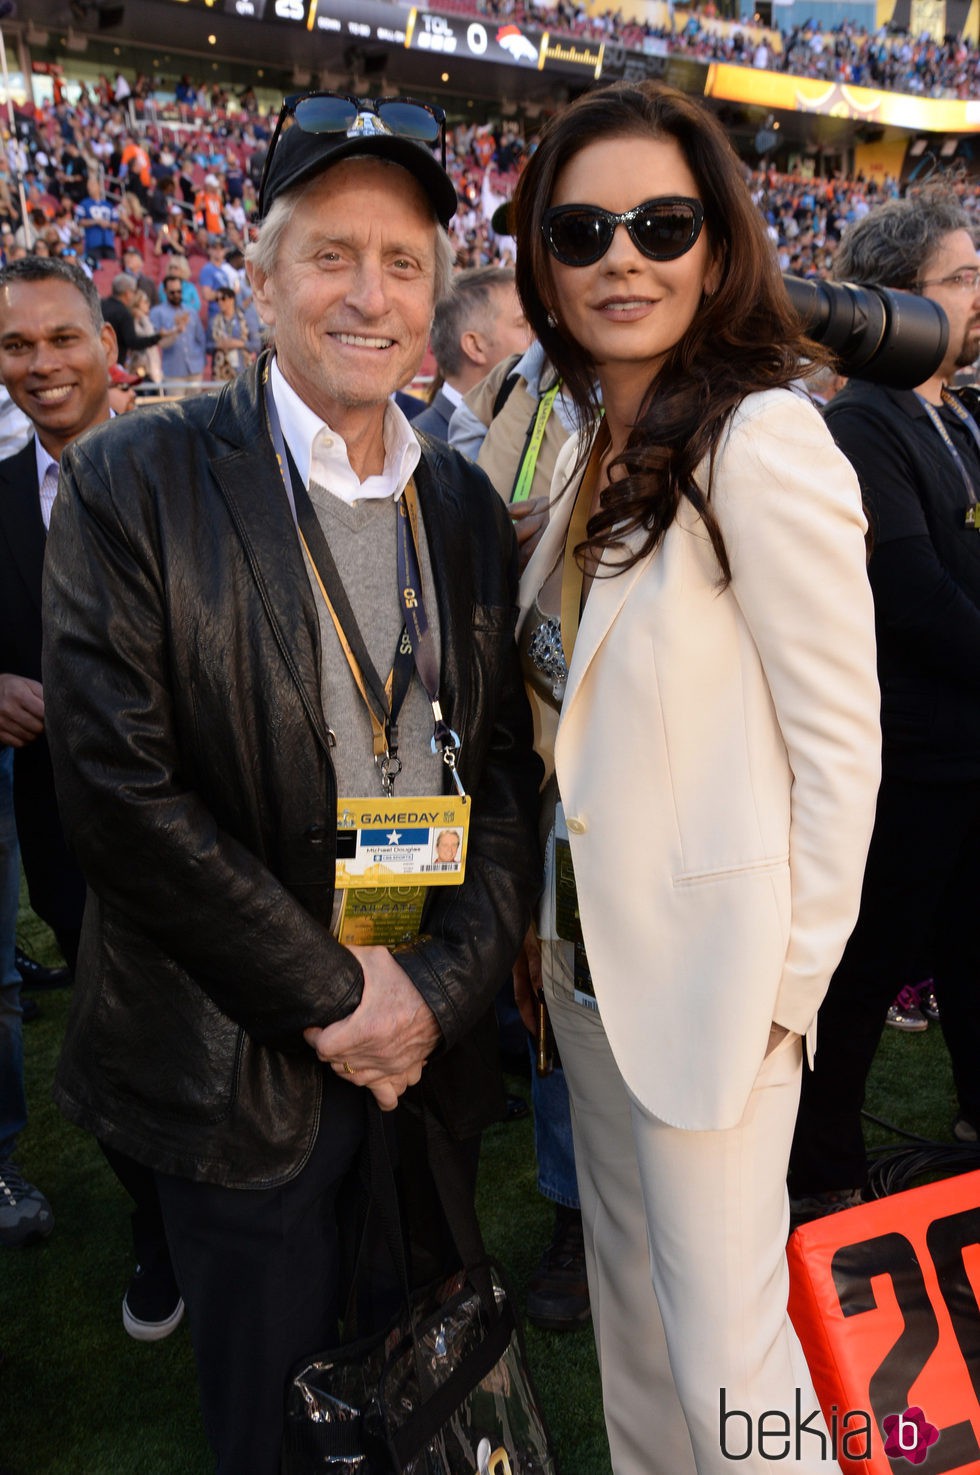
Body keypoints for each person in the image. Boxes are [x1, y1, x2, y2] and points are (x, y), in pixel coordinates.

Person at [42, 96, 541, 1474]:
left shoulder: (458, 502)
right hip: (233, 1061)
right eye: (331, 254)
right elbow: (114, 793)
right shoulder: (134, 479)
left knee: (413, 1387)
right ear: (256, 280)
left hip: (421, 1060)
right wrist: (337, 994)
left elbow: (501, 772)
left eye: (400, 260)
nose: (369, 293)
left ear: (435, 295)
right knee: (270, 1416)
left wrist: (430, 993)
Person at [511, 81, 881, 1474]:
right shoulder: (569, 432)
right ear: (542, 259)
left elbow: (843, 741)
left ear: (716, 248)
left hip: (720, 990)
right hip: (592, 972)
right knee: (638, 1322)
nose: (623, 255)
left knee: (732, 1359)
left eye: (661, 224)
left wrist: (788, 987)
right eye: (583, 226)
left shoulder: (766, 436)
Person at [0, 255, 183, 1331]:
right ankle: (158, 1233)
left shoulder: (199, 470)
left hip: (217, 818)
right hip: (69, 834)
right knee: (113, 1044)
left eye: (61, 337)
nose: (41, 363)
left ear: (108, 344)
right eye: (16, 346)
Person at [790, 192, 980, 1216]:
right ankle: (817, 1175)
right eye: (957, 277)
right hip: (908, 760)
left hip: (964, 747)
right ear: (894, 302)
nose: (975, 295)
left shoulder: (950, 412)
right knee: (863, 976)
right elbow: (910, 595)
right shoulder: (862, 420)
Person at [412, 265, 531, 440]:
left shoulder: (526, 428)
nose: (540, 335)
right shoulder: (415, 455)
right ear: (475, 346)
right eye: (523, 324)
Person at [149, 272, 205, 393]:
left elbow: (200, 338)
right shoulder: (157, 312)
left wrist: (201, 361)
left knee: (198, 409)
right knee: (176, 409)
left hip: (195, 369)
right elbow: (159, 342)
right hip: (173, 371)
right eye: (172, 292)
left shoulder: (191, 311)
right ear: (165, 291)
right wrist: (175, 328)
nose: (176, 295)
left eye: (179, 292)